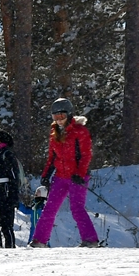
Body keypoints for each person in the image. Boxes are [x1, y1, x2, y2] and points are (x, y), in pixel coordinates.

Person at [30, 97, 99, 248]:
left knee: (76, 208)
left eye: (61, 116)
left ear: (69, 114)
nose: (59, 120)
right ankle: (39, 240)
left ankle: (90, 240)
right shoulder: (54, 133)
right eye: (55, 117)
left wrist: (80, 174)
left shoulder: (80, 131)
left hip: (76, 177)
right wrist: (46, 175)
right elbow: (52, 157)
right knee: (50, 208)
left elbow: (86, 155)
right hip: (60, 177)